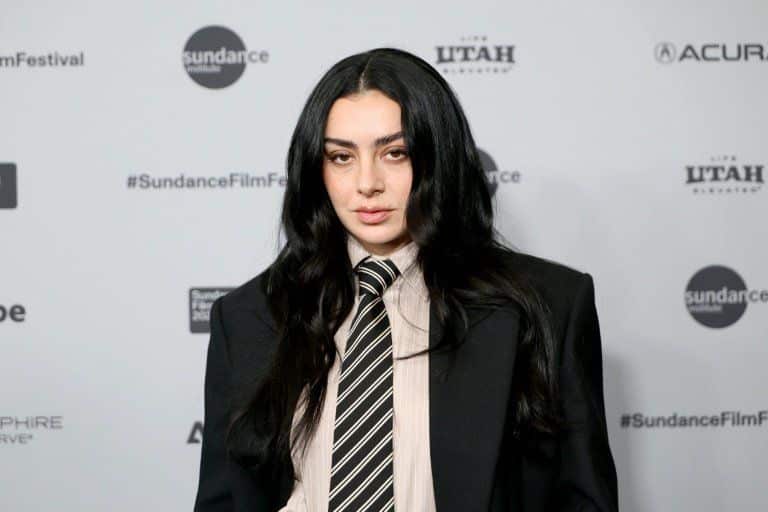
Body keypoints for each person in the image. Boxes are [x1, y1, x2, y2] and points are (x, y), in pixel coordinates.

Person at [193, 48, 619, 512]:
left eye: (395, 153)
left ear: (439, 156)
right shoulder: (249, 317)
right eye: (341, 157)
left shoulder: (549, 306)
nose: (367, 183)